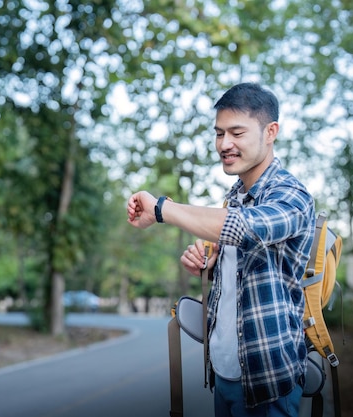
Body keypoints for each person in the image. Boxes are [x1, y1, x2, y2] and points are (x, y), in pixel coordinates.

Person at [126, 82, 315, 417]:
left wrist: (161, 209)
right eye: (219, 133)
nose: (224, 144)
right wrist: (208, 266)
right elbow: (246, 273)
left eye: (237, 133)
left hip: (268, 380)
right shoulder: (234, 196)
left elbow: (242, 227)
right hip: (224, 374)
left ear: (270, 132)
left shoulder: (291, 195)